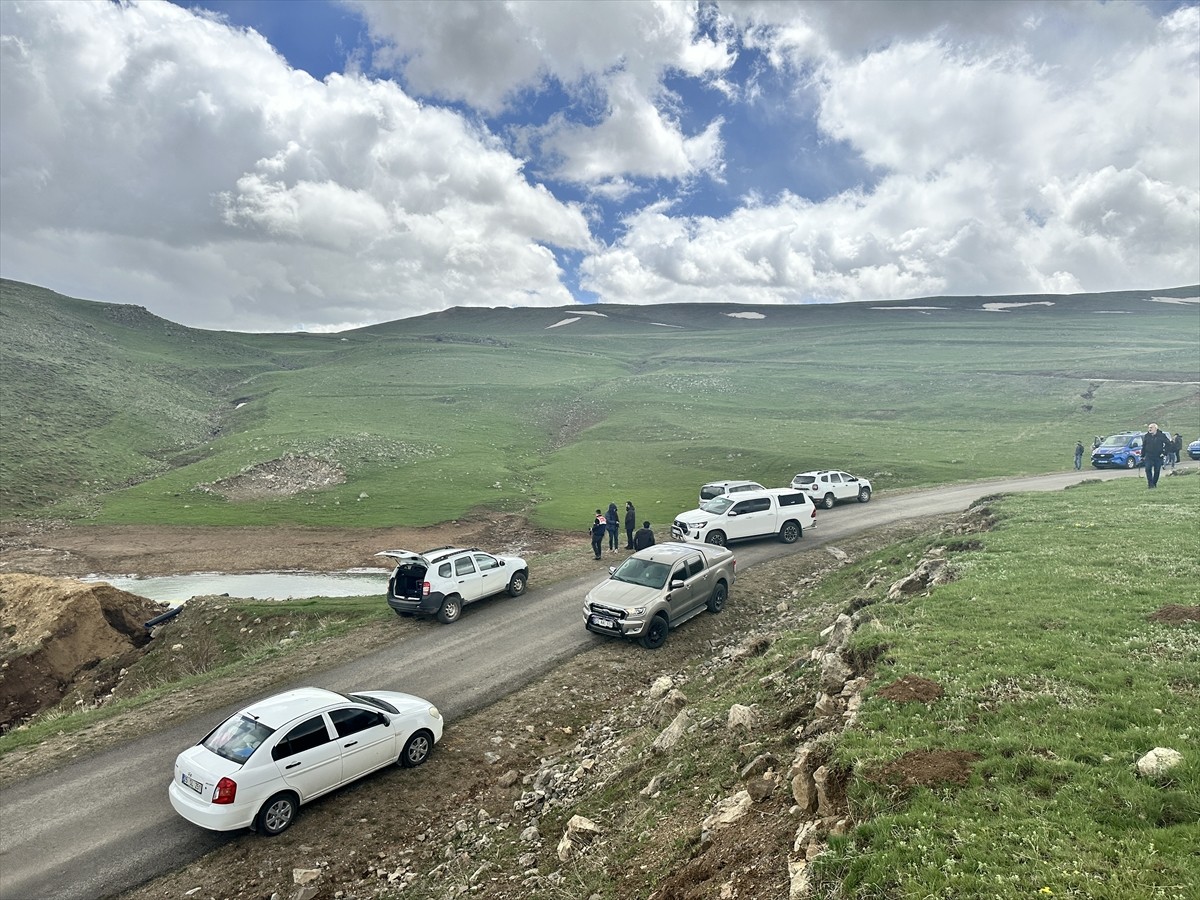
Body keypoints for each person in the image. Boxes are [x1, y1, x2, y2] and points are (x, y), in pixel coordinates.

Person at [1141, 423, 1168, 488]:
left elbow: (1168, 444)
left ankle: (1154, 483)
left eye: (1151, 428)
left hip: (1158, 455)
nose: (1149, 429)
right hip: (1149, 455)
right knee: (1147, 469)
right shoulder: (1147, 436)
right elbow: (1144, 446)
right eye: (1149, 428)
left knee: (1157, 470)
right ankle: (1150, 484)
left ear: (1156, 428)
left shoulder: (1161, 435)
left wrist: (1164, 453)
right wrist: (1142, 455)